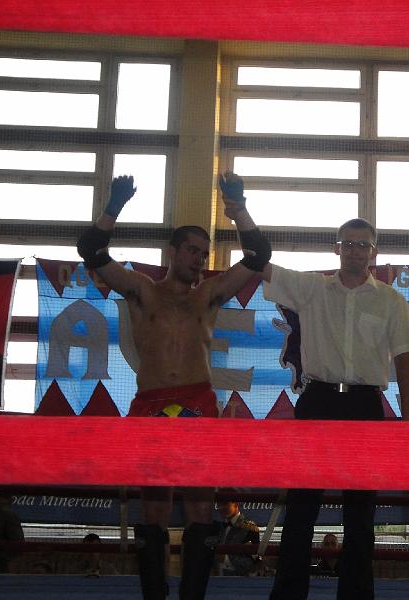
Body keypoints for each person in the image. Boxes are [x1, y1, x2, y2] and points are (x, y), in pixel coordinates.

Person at [76, 172, 270, 600]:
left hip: (198, 402)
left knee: (201, 505)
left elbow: (259, 256)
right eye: (192, 250)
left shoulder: (209, 294)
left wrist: (238, 209)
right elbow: (91, 250)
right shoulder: (141, 290)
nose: (198, 259)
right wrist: (113, 207)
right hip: (152, 403)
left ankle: (192, 596)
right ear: (173, 251)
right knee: (155, 506)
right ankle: (155, 594)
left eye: (204, 253)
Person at [254, 216, 409, 600]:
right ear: (336, 248)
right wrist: (241, 213)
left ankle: (357, 595)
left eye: (363, 245)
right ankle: (288, 595)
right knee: (301, 507)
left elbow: (403, 360)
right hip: (318, 401)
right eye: (348, 243)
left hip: (365, 406)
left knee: (360, 513)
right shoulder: (312, 288)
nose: (355, 251)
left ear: (374, 252)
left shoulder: (390, 300)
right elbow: (262, 265)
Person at [215, 501, 260, 576]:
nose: (221, 508)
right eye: (219, 505)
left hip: (238, 580)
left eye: (226, 504)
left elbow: (253, 563)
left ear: (236, 504)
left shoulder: (250, 527)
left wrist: (225, 559)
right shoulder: (219, 526)